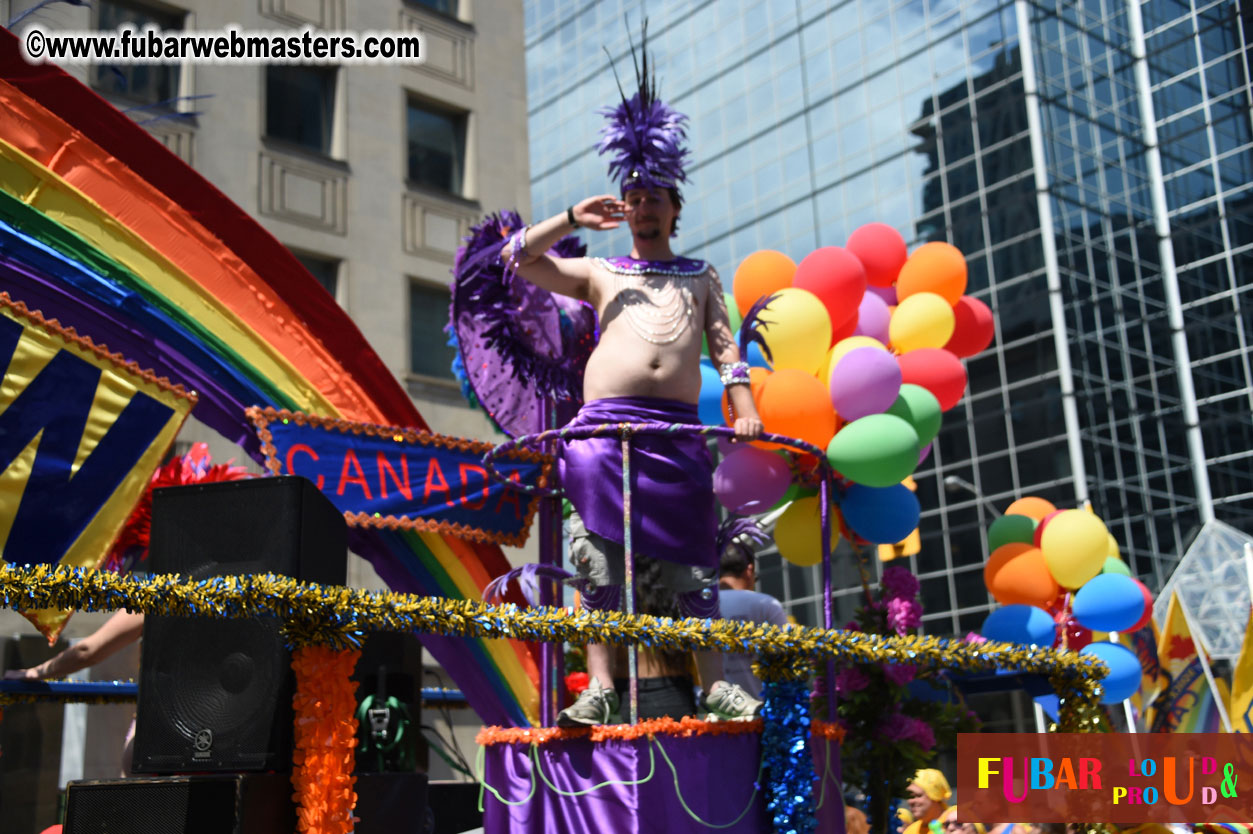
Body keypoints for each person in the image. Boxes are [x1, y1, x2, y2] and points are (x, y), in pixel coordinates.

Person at [503, 31, 764, 728]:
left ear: (675, 207)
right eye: (632, 196)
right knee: (597, 565)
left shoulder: (700, 275)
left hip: (675, 439)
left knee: (696, 570)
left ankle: (713, 686)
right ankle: (600, 686)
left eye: (655, 198)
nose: (643, 207)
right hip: (604, 434)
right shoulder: (602, 270)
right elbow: (517, 263)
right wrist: (568, 219)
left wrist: (742, 407)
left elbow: (726, 350)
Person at [5, 609, 145, 774]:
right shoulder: (172, 592)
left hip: (155, 731)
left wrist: (37, 672)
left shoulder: (156, 596)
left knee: (141, 792)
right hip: (171, 731)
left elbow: (87, 651)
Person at [717, 522, 787, 698]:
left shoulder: (702, 607)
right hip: (762, 705)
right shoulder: (766, 604)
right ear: (749, 570)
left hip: (716, 708)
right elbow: (788, 653)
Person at [898, 769, 952, 834]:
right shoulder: (910, 831)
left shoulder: (958, 822)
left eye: (918, 795)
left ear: (935, 795)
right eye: (909, 797)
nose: (911, 801)